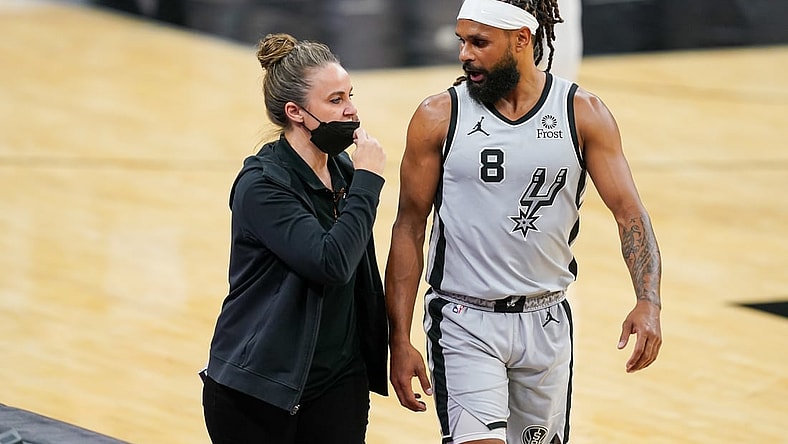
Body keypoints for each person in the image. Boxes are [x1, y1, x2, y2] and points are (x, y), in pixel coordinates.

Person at [384, 0, 663, 443]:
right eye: (462, 41)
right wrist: (398, 338)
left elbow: (629, 212)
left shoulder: (582, 112)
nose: (465, 54)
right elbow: (409, 226)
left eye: (479, 42)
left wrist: (648, 301)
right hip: (463, 319)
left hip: (546, 319)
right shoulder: (438, 116)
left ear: (521, 40)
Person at [201, 33, 388, 444]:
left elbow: (363, 276)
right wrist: (369, 183)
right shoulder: (263, 186)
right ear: (296, 112)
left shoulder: (343, 172)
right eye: (336, 100)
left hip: (338, 383)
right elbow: (331, 263)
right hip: (259, 389)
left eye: (350, 96)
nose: (352, 110)